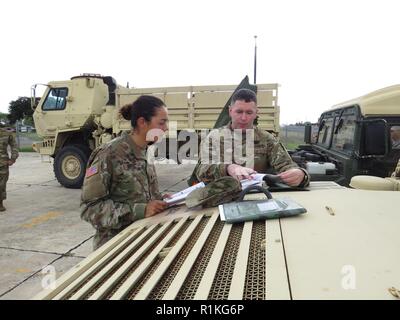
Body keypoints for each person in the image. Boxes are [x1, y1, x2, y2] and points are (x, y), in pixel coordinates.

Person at [81, 95, 169, 250]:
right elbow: (89, 209)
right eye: (161, 123)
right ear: (142, 122)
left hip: (142, 243)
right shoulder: (108, 154)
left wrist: (161, 200)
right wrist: (140, 210)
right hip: (115, 250)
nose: (166, 128)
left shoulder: (145, 151)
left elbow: (141, 196)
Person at [192, 88, 309, 187]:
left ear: (256, 113)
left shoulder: (267, 139)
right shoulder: (214, 137)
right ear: (230, 111)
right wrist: (228, 168)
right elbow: (202, 170)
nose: (244, 118)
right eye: (239, 112)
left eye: (249, 112)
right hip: (220, 197)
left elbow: (286, 165)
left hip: (256, 196)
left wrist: (301, 174)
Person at [0, 125, 19, 212]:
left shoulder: (6, 133)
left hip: (2, 163)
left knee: (2, 184)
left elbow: (14, 146)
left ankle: (0, 203)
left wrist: (13, 158)